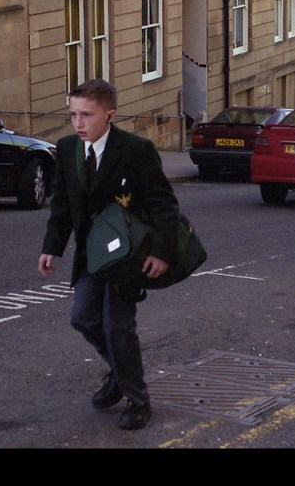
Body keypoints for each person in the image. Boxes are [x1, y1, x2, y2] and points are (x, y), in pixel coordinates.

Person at [38, 79, 181, 431]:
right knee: (83, 318)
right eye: (73, 114)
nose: (78, 123)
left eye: (87, 115)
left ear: (110, 115)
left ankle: (138, 400)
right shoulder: (67, 148)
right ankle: (120, 372)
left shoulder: (136, 150)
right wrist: (51, 247)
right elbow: (62, 204)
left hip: (126, 257)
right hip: (91, 255)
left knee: (118, 327)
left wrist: (161, 252)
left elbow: (164, 204)